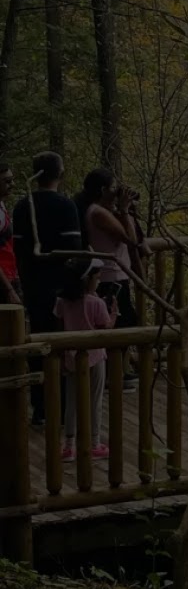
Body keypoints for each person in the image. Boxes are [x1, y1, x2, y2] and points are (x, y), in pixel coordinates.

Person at [13, 152, 82, 426]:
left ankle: (41, 406)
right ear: (60, 174)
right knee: (64, 349)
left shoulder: (22, 206)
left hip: (33, 287)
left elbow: (19, 249)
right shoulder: (65, 206)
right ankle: (64, 408)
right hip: (61, 290)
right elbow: (74, 253)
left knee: (39, 345)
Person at [82, 169, 141, 391]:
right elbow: (130, 240)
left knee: (125, 323)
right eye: (114, 187)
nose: (117, 192)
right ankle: (111, 374)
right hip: (110, 277)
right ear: (102, 190)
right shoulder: (98, 212)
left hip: (116, 274)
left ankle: (116, 371)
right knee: (121, 325)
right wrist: (124, 211)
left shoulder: (105, 211)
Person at [55, 258, 116, 460]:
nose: (99, 281)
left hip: (71, 355)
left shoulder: (62, 301)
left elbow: (60, 320)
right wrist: (113, 314)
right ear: (87, 280)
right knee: (95, 399)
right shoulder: (97, 303)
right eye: (97, 278)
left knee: (71, 400)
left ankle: (68, 446)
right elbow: (105, 328)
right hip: (95, 356)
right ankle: (94, 443)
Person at [0, 163, 20, 304]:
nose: (12, 184)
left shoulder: (2, 205)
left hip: (9, 276)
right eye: (7, 181)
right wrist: (9, 290)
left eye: (12, 180)